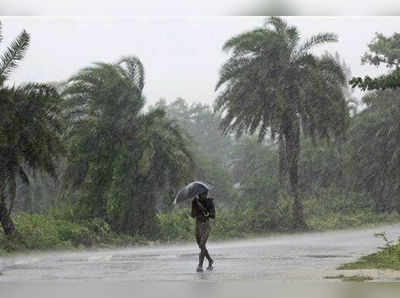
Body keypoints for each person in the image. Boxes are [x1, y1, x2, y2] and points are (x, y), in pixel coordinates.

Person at [191, 190, 215, 272]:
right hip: (198, 226)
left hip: (206, 225)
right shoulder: (195, 202)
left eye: (205, 193)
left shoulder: (210, 202)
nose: (204, 195)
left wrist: (203, 209)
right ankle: (210, 260)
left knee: (202, 244)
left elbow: (213, 215)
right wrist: (195, 205)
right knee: (201, 246)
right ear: (199, 194)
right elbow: (192, 215)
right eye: (202, 193)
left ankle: (200, 265)